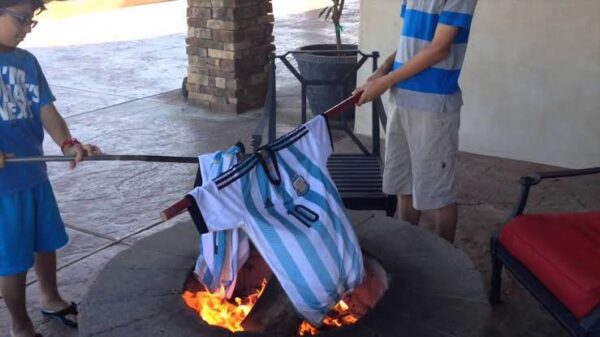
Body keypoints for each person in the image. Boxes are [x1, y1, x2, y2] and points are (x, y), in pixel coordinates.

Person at [0, 1, 100, 336]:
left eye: (31, 20)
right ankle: (21, 325)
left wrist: (68, 143)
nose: (26, 27)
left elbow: (47, 110)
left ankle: (51, 298)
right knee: (12, 260)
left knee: (45, 242)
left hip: (34, 174)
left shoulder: (27, 62)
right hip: (4, 190)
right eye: (21, 19)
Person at [355, 0, 477, 242]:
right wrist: (383, 71)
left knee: (439, 194)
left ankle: (445, 262)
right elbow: (408, 44)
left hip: (434, 108)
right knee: (404, 186)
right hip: (402, 101)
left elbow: (438, 49)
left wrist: (385, 82)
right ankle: (409, 247)